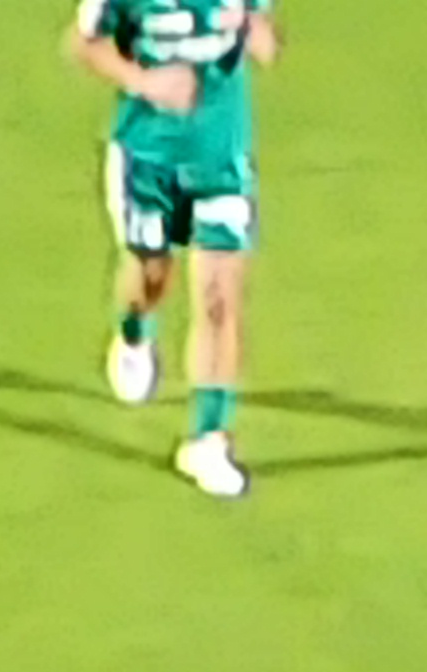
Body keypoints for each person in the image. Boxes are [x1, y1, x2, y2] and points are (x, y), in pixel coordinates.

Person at [67, 0, 279, 498]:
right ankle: (135, 333)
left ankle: (209, 439)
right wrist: (145, 83)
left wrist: (249, 28)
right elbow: (85, 44)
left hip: (221, 158)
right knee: (151, 276)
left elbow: (266, 40)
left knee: (220, 297)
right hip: (148, 158)